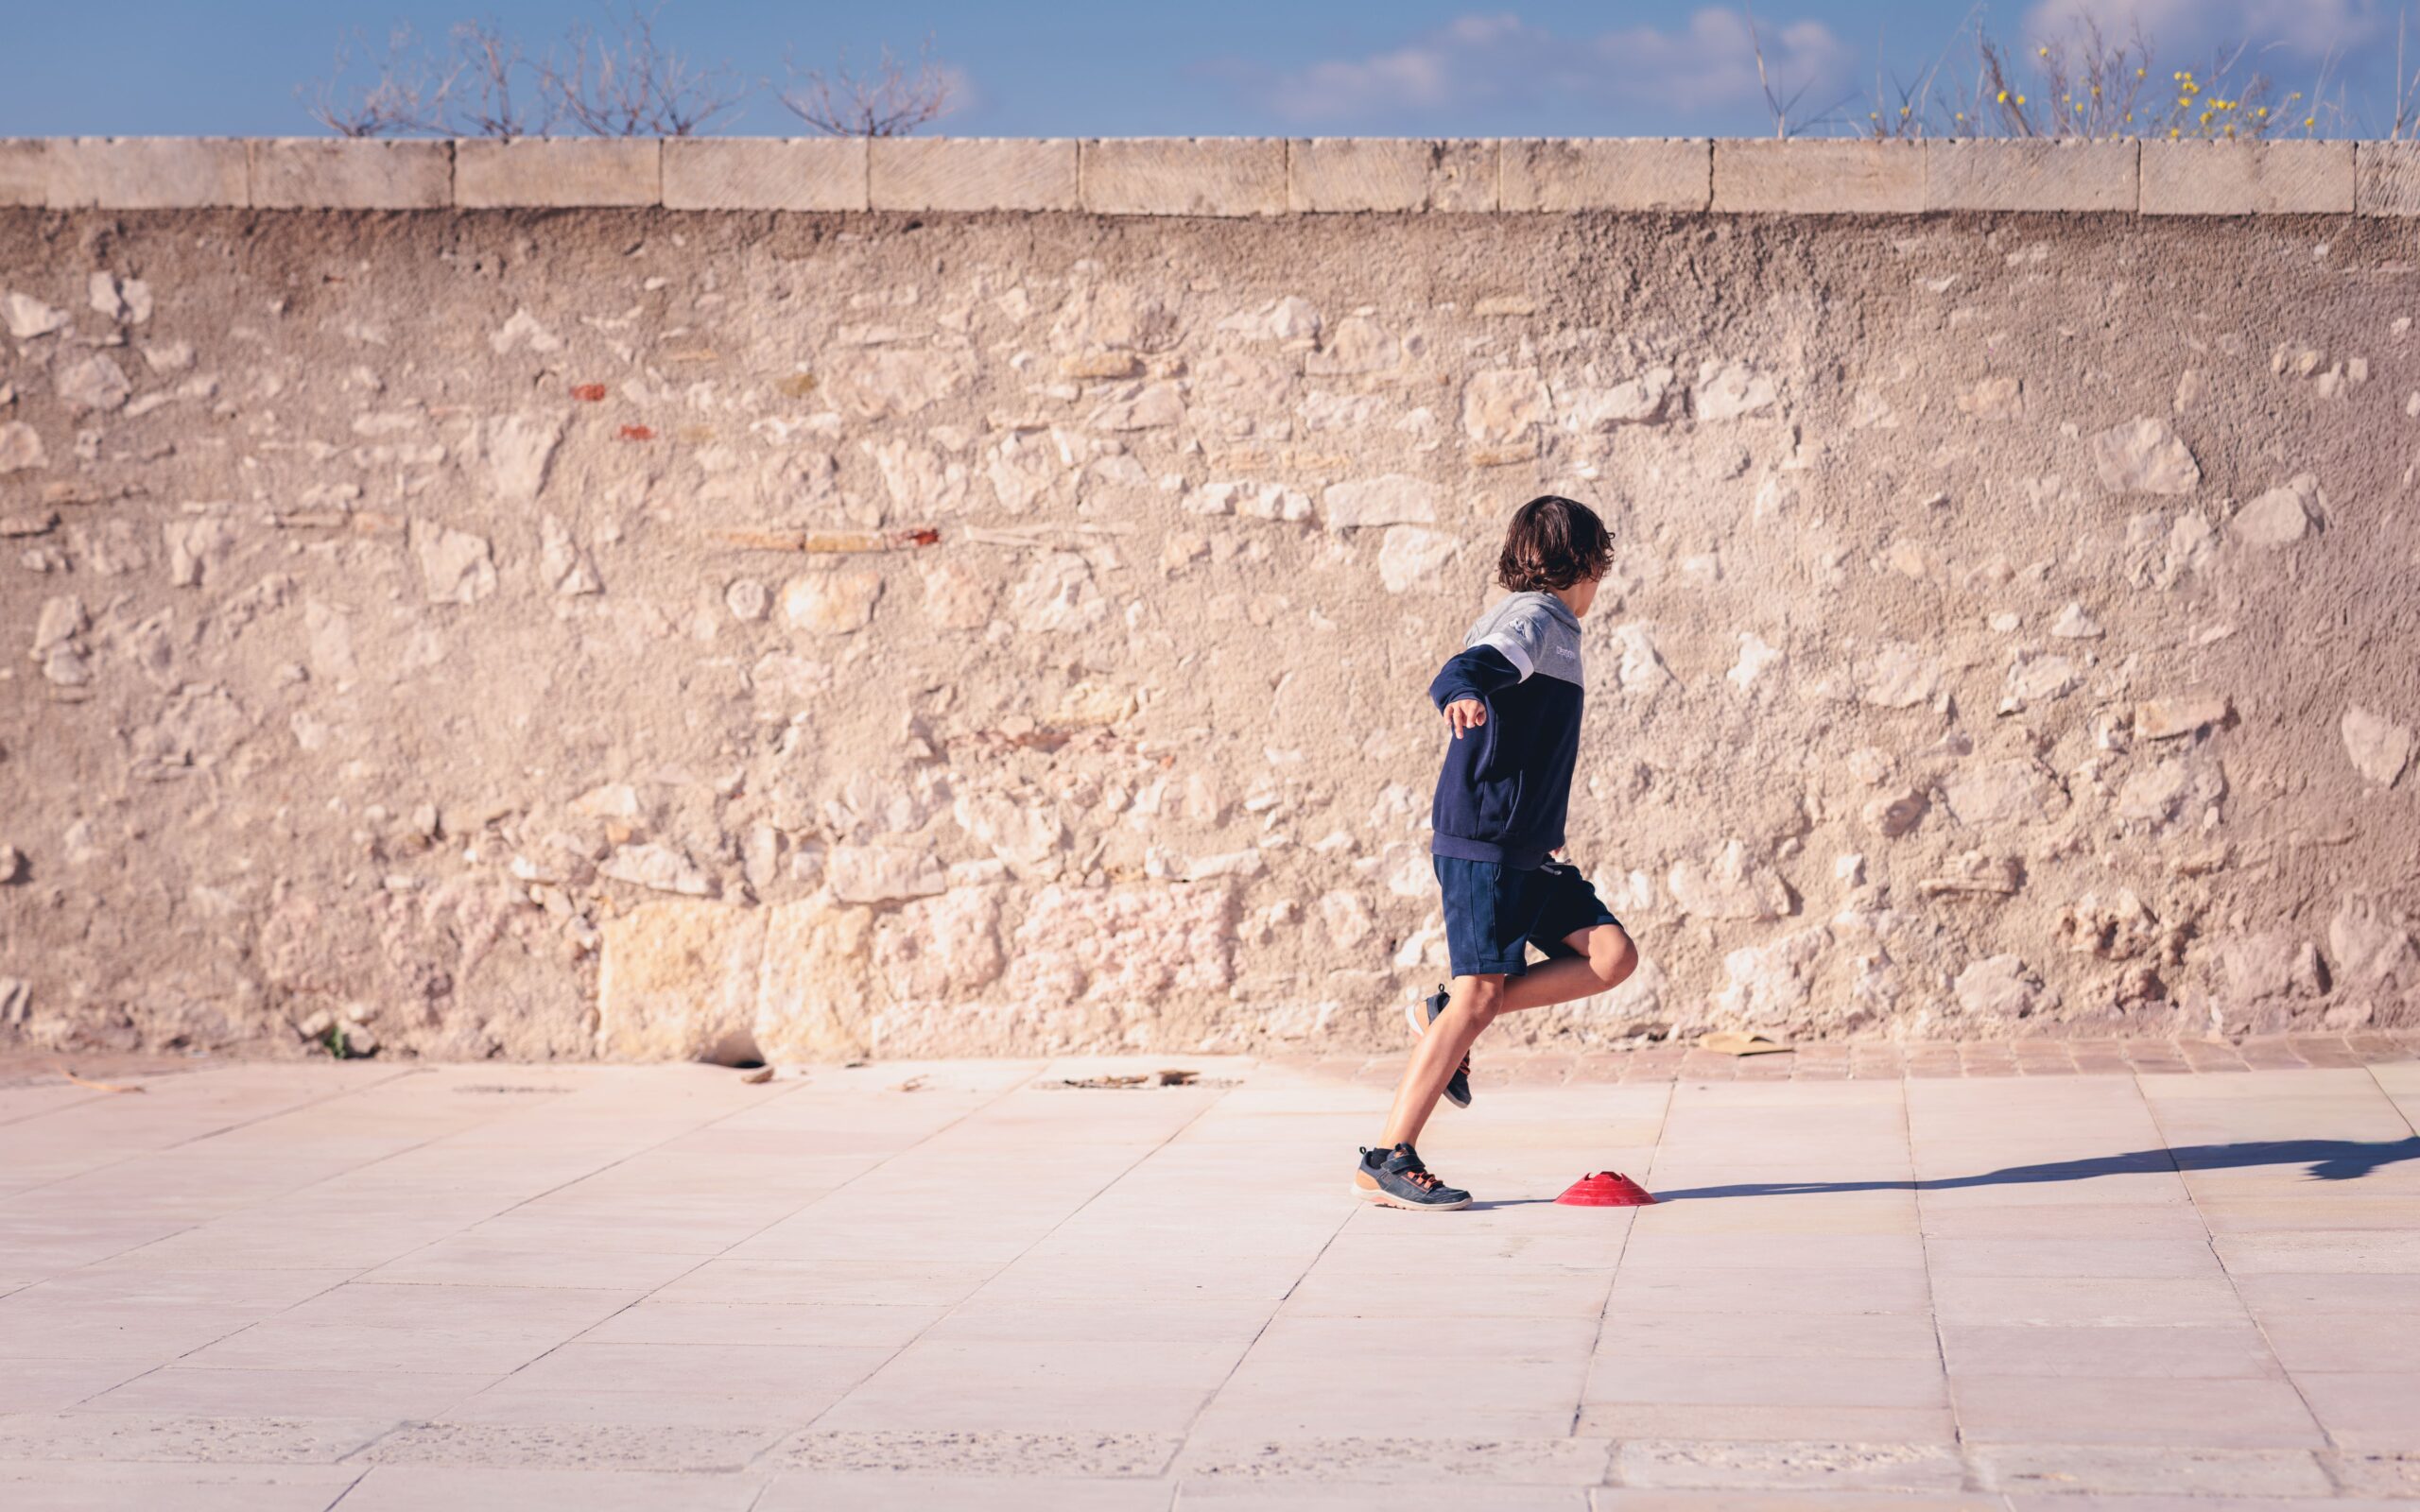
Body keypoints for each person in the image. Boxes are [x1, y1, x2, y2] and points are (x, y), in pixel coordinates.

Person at [1355, 494, 1642, 1211]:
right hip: (1485, 841)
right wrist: (1461, 692)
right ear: (1592, 560)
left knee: (1611, 957)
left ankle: (1443, 1010)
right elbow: (1472, 665)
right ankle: (1390, 1157)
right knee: (1477, 996)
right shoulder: (1537, 618)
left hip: (1528, 848)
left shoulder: (1553, 627)